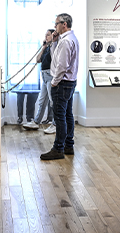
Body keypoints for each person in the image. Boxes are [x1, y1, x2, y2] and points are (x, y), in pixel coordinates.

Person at [40, 13, 79, 160]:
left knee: (60, 117)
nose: (55, 26)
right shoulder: (67, 39)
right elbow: (55, 57)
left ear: (64, 24)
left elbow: (61, 65)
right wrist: (54, 42)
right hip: (69, 82)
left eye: (56, 24)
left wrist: (54, 82)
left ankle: (58, 149)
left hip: (62, 83)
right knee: (68, 115)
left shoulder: (66, 41)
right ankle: (68, 145)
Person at [24, 29, 58, 133]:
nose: (45, 37)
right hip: (44, 76)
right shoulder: (47, 48)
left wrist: (52, 42)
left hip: (51, 75)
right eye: (45, 35)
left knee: (53, 102)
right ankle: (36, 122)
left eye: (48, 35)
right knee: (42, 101)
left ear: (53, 36)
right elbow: (38, 60)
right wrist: (43, 46)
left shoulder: (55, 47)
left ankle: (55, 124)